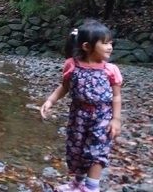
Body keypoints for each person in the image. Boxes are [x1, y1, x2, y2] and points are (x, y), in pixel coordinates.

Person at [40, 20, 122, 192]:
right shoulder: (72, 65)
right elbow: (64, 87)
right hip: (78, 116)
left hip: (102, 116)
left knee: (96, 151)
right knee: (76, 150)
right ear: (87, 46)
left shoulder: (110, 70)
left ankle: (92, 187)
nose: (110, 47)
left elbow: (116, 96)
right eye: (105, 43)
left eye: (110, 43)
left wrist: (116, 119)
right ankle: (77, 184)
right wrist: (50, 101)